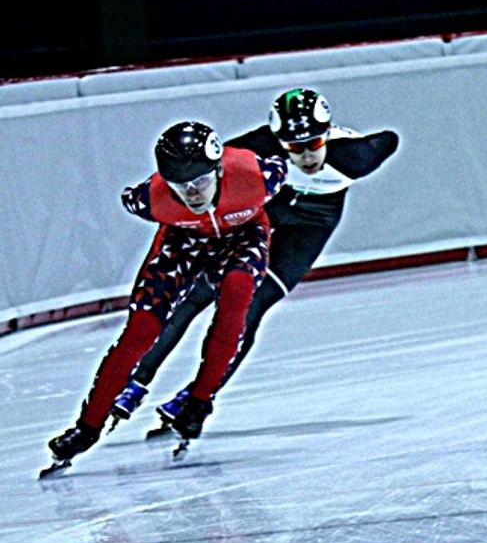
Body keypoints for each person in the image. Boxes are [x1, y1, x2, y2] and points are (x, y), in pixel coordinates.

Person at [110, 89, 399, 425]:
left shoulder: (356, 155)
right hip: (270, 206)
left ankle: (198, 395)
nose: (306, 156)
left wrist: (350, 139)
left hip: (314, 221)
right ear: (279, 141)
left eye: (314, 143)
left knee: (253, 305)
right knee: (198, 291)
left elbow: (389, 139)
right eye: (294, 147)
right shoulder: (259, 146)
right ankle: (136, 381)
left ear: (327, 133)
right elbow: (198, 166)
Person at [44, 122, 287, 471]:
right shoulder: (151, 198)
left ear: (219, 169)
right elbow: (129, 197)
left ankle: (199, 403)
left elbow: (287, 161)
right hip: (181, 242)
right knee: (140, 331)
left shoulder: (258, 177)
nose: (192, 193)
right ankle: (87, 427)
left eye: (200, 181)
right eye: (180, 186)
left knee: (236, 295)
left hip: (243, 236)